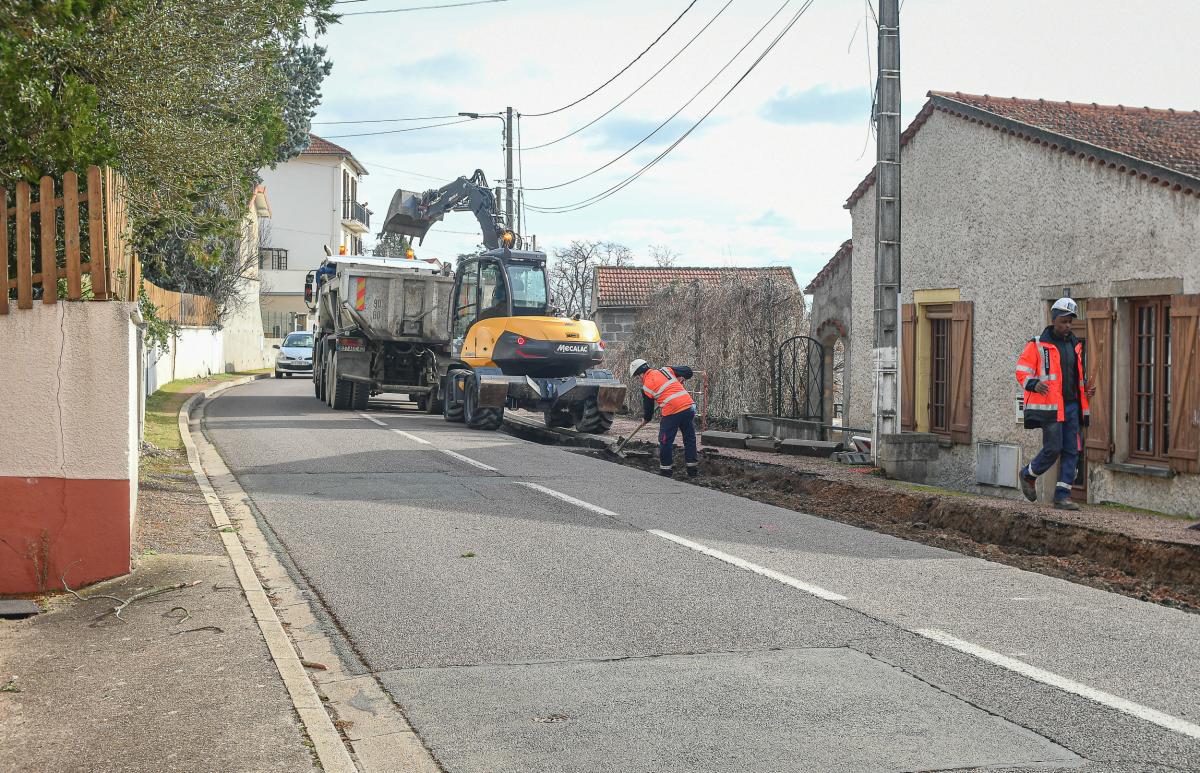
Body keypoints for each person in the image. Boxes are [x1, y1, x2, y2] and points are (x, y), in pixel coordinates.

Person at [1014, 297, 1096, 510]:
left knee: (1072, 451)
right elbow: (1021, 370)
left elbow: (1074, 376)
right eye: (1063, 321)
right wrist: (1033, 383)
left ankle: (1062, 496)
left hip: (1072, 406)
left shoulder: (1075, 344)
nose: (1067, 325)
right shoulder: (1037, 344)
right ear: (1053, 320)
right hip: (1050, 408)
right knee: (1053, 448)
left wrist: (1085, 388)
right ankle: (1028, 474)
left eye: (1070, 321)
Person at [629, 358, 699, 478]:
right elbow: (688, 371)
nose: (639, 379)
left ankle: (666, 471)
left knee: (665, 441)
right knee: (689, 439)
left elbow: (649, 411)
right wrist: (681, 377)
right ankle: (692, 470)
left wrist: (645, 419)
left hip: (672, 412)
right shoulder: (666, 370)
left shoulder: (646, 387)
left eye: (637, 376)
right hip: (688, 407)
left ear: (641, 373)